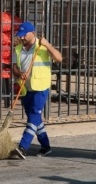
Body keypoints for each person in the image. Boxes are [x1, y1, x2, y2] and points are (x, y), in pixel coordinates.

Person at [10, 22, 63, 159]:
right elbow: (14, 67)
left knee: (33, 116)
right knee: (35, 119)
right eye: (20, 36)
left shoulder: (42, 46)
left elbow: (59, 58)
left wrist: (47, 45)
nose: (21, 38)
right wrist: (20, 73)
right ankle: (46, 147)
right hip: (26, 89)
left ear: (32, 33)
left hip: (41, 87)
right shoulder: (18, 49)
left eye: (24, 35)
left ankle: (23, 147)